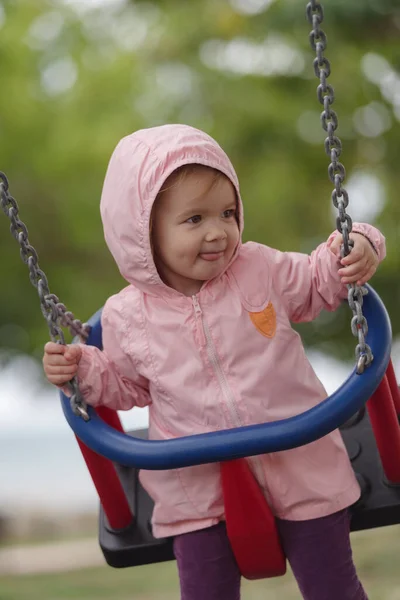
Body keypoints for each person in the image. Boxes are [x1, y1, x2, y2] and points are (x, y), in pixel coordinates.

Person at [43, 124, 385, 600]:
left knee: (335, 589)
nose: (217, 232)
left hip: (302, 463)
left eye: (227, 212)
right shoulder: (128, 315)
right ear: (143, 235)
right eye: (194, 219)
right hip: (195, 488)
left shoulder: (260, 269)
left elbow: (317, 280)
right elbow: (126, 386)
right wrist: (81, 371)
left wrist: (357, 244)